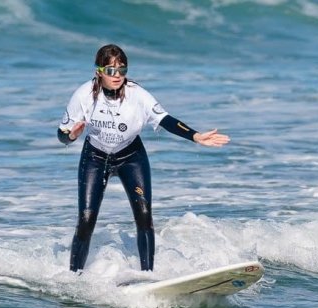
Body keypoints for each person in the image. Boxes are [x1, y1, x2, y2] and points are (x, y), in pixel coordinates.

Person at [58, 44, 230, 272]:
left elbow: (166, 119)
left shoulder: (137, 95)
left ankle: (147, 274)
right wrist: (71, 136)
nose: (117, 76)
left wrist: (195, 136)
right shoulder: (84, 95)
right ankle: (74, 276)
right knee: (87, 220)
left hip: (131, 156)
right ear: (99, 71)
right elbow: (62, 135)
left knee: (144, 216)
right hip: (95, 157)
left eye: (122, 70)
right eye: (111, 70)